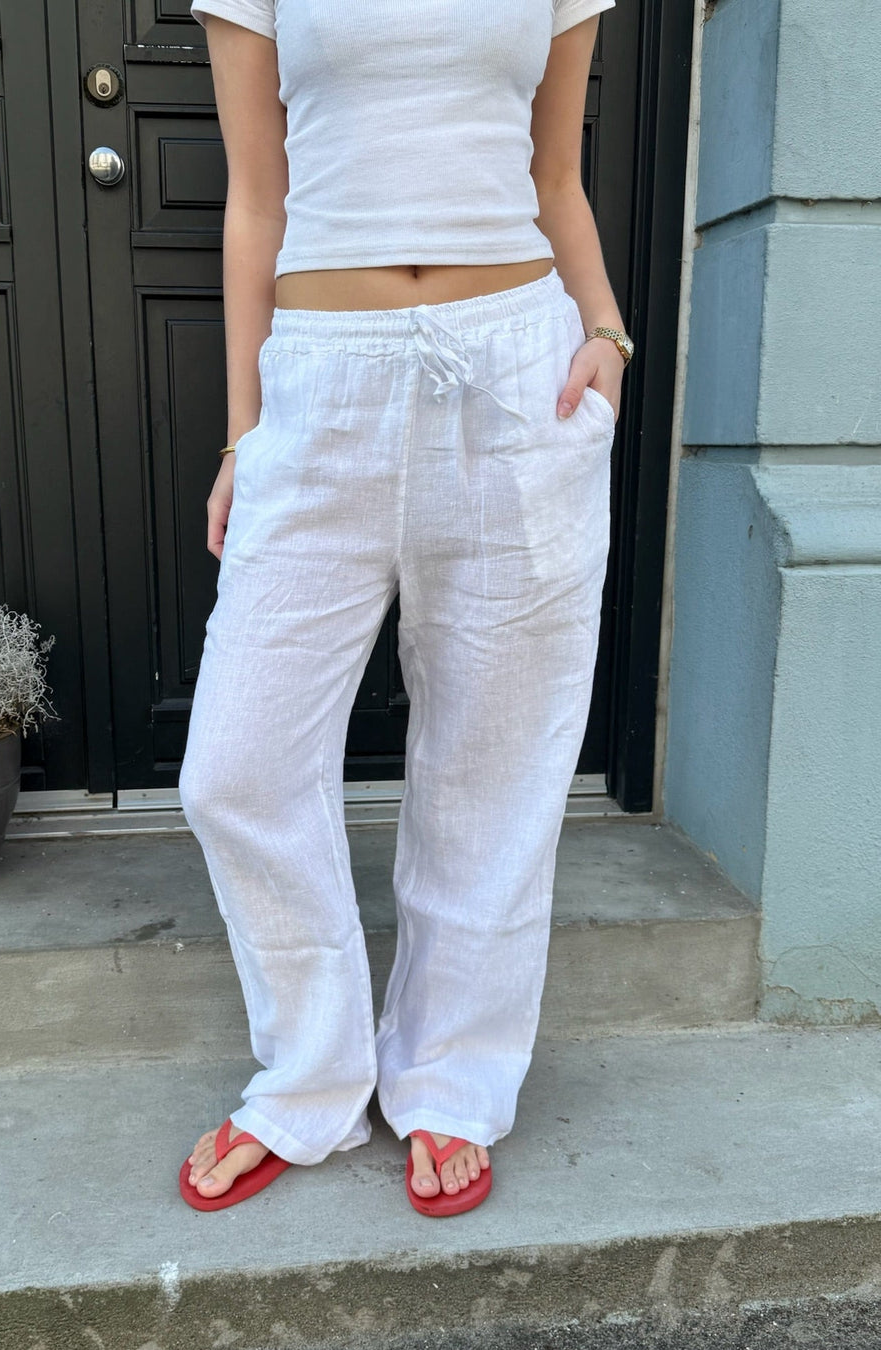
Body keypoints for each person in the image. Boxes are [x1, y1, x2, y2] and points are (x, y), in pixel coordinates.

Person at [177, 0, 632, 1218]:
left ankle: (448, 1076)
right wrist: (245, 436)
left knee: (494, 765)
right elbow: (256, 201)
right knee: (234, 767)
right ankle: (310, 1072)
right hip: (322, 381)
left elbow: (555, 177)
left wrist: (604, 331)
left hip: (515, 373)